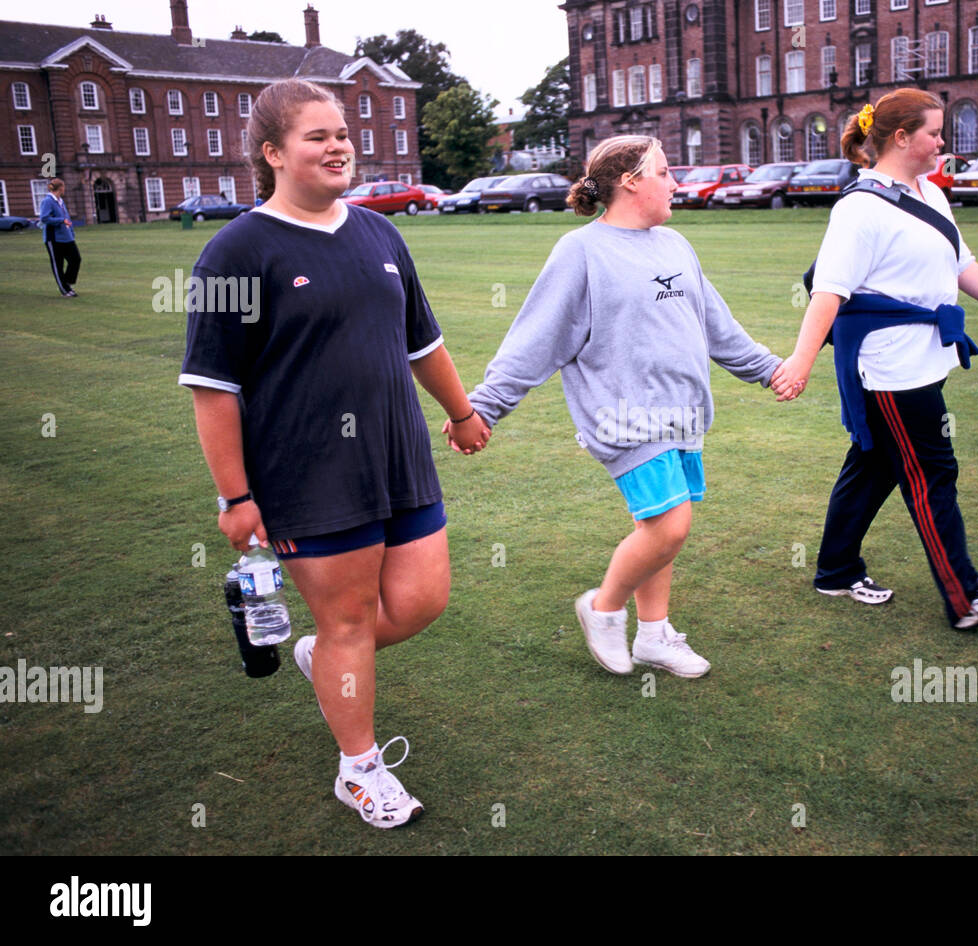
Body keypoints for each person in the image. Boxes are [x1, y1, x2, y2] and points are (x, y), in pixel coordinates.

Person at [179, 78, 491, 828]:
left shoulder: (382, 234)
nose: (338, 145)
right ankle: (359, 769)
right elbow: (212, 389)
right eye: (317, 135)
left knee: (420, 602)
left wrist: (461, 411)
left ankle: (326, 658)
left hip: (397, 459)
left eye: (342, 133)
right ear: (273, 153)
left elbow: (424, 343)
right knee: (350, 620)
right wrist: (235, 495)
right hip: (306, 473)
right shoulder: (234, 252)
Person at [457, 135, 781, 678]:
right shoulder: (580, 251)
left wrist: (767, 368)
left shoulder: (675, 244)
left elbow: (717, 325)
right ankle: (603, 607)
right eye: (664, 171)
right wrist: (485, 405)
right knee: (670, 526)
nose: (675, 182)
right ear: (630, 181)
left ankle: (654, 636)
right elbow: (537, 337)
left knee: (658, 528)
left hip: (683, 414)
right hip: (626, 419)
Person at [771, 89, 978, 631]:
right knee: (931, 474)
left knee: (875, 463)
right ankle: (966, 598)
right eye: (934, 133)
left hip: (920, 360)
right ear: (901, 138)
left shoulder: (929, 193)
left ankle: (834, 571)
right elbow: (828, 293)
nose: (943, 142)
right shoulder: (859, 209)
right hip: (891, 370)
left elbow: (962, 265)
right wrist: (801, 362)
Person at [40, 178, 80, 297]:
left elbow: (67, 218)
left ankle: (66, 282)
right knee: (58, 265)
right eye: (64, 187)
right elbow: (44, 218)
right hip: (53, 238)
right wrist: (61, 220)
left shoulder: (61, 201)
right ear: (61, 188)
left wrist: (71, 232)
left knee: (76, 259)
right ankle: (65, 290)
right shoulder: (48, 201)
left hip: (66, 237)